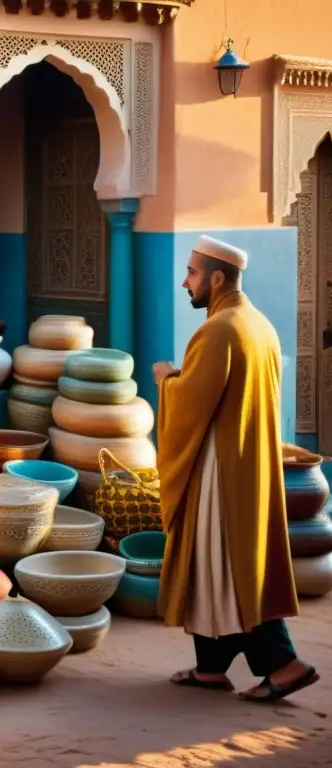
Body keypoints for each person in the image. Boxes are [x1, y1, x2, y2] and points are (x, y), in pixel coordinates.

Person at [152, 235, 319, 703]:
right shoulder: (259, 325)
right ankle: (211, 668)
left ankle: (284, 665)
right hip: (245, 468)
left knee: (230, 569)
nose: (186, 282)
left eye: (192, 273)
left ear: (217, 278)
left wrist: (166, 380)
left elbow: (193, 403)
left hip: (220, 473)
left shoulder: (219, 329)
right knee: (214, 568)